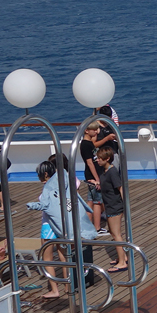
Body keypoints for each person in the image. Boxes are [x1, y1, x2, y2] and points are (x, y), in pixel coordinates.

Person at [26, 160, 97, 300]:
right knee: (64, 256)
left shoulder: (48, 189)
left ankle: (54, 290)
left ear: (45, 174)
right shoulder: (64, 183)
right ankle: (68, 285)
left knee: (47, 258)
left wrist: (32, 205)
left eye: (39, 174)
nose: (38, 177)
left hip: (48, 226)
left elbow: (45, 206)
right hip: (63, 226)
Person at [96, 145, 129, 273]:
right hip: (109, 205)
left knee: (116, 234)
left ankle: (122, 263)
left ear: (107, 159)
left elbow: (120, 188)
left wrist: (125, 205)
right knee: (112, 232)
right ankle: (122, 256)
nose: (97, 160)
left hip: (114, 206)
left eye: (100, 158)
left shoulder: (112, 172)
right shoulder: (104, 171)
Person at [79, 124, 106, 234]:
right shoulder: (86, 145)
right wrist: (97, 179)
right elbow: (90, 163)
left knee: (90, 202)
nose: (96, 132)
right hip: (92, 177)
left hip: (91, 176)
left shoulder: (89, 143)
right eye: (93, 130)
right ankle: (97, 227)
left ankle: (88, 226)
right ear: (86, 130)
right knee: (97, 202)